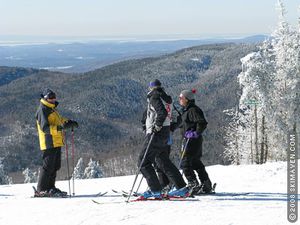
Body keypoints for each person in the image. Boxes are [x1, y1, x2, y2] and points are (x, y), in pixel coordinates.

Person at [138, 79, 189, 199]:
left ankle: (156, 190)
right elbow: (171, 114)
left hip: (156, 134)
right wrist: (168, 127)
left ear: (151, 88)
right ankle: (181, 188)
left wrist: (157, 126)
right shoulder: (166, 98)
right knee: (163, 161)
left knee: (143, 161)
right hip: (166, 133)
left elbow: (162, 113)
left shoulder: (154, 97)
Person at [35, 88, 78, 197]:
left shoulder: (51, 109)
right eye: (51, 98)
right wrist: (60, 128)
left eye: (54, 97)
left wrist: (68, 122)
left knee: (55, 166)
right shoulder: (43, 110)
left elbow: (59, 120)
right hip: (48, 141)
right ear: (45, 98)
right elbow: (45, 128)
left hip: (57, 141)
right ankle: (41, 189)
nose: (53, 99)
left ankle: (50, 187)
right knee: (48, 166)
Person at [172, 89, 213, 194]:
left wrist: (196, 133)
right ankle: (206, 184)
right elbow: (182, 123)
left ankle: (193, 184)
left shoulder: (193, 110)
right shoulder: (186, 110)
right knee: (195, 162)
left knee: (185, 163)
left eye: (181, 98)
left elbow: (202, 122)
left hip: (192, 141)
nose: (179, 100)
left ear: (187, 99)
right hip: (191, 140)